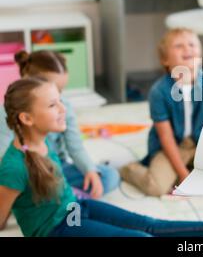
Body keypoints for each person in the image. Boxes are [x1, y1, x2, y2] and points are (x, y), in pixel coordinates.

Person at [0, 77, 203, 237]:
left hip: (76, 208)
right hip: (58, 229)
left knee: (151, 225)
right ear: (26, 118)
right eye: (52, 105)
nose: (63, 109)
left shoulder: (43, 141)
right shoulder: (14, 167)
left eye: (60, 101)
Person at [0, 50, 120, 198]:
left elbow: (75, 147)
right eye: (54, 92)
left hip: (57, 168)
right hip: (27, 172)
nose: (61, 104)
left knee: (109, 176)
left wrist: (90, 170)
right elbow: (5, 158)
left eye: (61, 91)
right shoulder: (8, 112)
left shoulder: (65, 107)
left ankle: (60, 196)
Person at [120, 28, 203, 196]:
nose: (187, 49)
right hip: (170, 148)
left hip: (200, 145)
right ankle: (129, 170)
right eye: (179, 46)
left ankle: (187, 168)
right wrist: (184, 175)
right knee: (156, 187)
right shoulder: (158, 92)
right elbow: (166, 138)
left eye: (192, 44)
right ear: (165, 60)